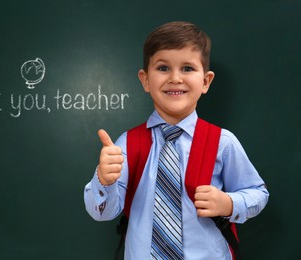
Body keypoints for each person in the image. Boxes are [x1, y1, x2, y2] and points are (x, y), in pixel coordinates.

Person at [84, 21, 269, 260]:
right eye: (163, 68)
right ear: (145, 80)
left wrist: (229, 203)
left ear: (206, 81)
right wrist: (104, 181)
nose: (175, 78)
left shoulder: (222, 142)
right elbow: (103, 213)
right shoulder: (127, 144)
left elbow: (258, 193)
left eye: (187, 69)